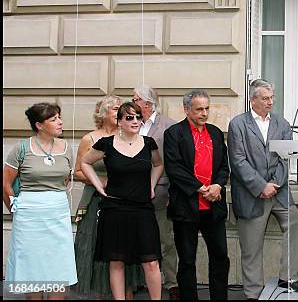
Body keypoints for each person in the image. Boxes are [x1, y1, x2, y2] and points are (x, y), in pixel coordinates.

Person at [228, 79, 298, 300]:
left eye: (272, 98)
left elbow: (286, 158)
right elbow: (237, 161)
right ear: (252, 100)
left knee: (295, 221)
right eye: (265, 98)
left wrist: (274, 183)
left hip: (279, 190)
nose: (270, 102)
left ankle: (288, 278)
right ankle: (253, 293)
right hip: (251, 194)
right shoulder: (238, 124)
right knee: (251, 246)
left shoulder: (282, 124)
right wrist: (260, 185)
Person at [80, 102, 164, 300]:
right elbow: (84, 162)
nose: (135, 121)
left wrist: (151, 185)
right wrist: (99, 185)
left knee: (151, 262)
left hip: (143, 209)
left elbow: (158, 164)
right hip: (114, 209)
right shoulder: (106, 143)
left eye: (137, 117)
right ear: (119, 121)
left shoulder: (149, 142)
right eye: (129, 117)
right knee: (116, 261)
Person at [3, 102, 78, 299]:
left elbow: (65, 179)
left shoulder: (67, 147)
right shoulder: (21, 148)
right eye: (54, 119)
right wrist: (15, 208)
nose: (60, 122)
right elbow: (5, 184)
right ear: (39, 125)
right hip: (29, 215)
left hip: (58, 212)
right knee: (31, 266)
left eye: (59, 117)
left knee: (58, 264)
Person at [73, 95, 144, 299]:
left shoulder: (131, 136)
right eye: (115, 109)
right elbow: (78, 171)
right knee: (99, 249)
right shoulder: (91, 139)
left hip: (126, 202)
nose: (122, 113)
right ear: (103, 114)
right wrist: (100, 180)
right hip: (97, 201)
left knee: (125, 251)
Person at [163, 89, 230, 300]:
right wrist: (201, 188)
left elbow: (224, 166)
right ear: (186, 109)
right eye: (199, 109)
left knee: (220, 257)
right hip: (187, 206)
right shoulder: (174, 133)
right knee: (187, 260)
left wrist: (217, 186)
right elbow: (174, 168)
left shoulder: (216, 133)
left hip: (214, 206)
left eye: (207, 108)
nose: (204, 113)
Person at [132, 85, 180, 300]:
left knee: (165, 240)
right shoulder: (128, 123)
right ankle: (136, 281)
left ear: (148, 103)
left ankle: (171, 283)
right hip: (132, 193)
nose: (132, 103)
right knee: (133, 238)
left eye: (136, 99)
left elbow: (174, 163)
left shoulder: (168, 126)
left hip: (160, 192)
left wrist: (172, 192)